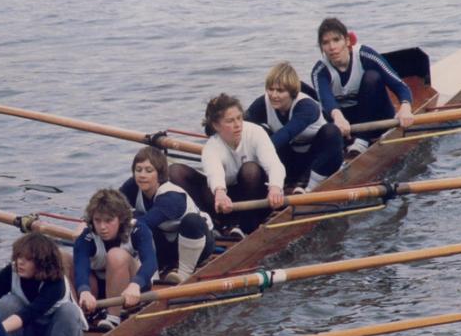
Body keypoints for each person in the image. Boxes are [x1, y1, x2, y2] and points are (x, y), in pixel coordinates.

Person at [167, 93, 286, 237]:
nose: (237, 125)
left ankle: (245, 226)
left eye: (239, 118)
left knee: (250, 170)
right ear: (216, 125)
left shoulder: (255, 132)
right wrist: (220, 193)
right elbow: (214, 173)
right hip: (227, 203)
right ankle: (212, 223)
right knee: (174, 171)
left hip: (257, 197)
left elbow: (274, 164)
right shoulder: (212, 147)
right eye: (230, 121)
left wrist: (275, 188)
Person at [311, 17, 415, 158]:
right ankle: (351, 145)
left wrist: (405, 107)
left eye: (336, 40)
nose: (332, 47)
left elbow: (400, 85)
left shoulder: (365, 55)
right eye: (326, 43)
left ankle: (362, 141)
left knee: (372, 77)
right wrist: (338, 118)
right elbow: (326, 100)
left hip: (378, 119)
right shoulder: (319, 71)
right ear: (321, 47)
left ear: (347, 41)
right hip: (346, 125)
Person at [118, 146, 214, 284]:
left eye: (149, 170)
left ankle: (184, 274)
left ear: (160, 174)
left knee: (191, 221)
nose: (142, 175)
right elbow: (111, 204)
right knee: (134, 215)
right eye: (138, 170)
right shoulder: (134, 185)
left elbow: (147, 222)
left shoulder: (172, 196)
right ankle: (151, 271)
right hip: (168, 244)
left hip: (198, 243)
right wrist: (88, 222)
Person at [244, 61, 343, 191]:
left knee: (331, 131)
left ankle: (310, 186)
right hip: (291, 160)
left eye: (280, 91)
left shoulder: (307, 106)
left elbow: (286, 133)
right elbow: (242, 124)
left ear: (292, 92)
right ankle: (284, 183)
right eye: (270, 89)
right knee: (259, 131)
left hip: (318, 159)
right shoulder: (263, 102)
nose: (273, 95)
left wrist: (252, 154)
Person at [73, 188, 158, 330]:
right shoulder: (87, 237)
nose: (102, 227)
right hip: (100, 289)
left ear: (121, 219)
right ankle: (78, 314)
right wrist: (84, 291)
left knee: (115, 255)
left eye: (108, 221)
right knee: (63, 259)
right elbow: (80, 266)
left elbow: (151, 262)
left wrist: (135, 285)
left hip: (135, 286)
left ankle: (113, 318)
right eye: (97, 220)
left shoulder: (138, 230)